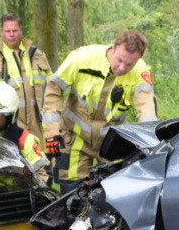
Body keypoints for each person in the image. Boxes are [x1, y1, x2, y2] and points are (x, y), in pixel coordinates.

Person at [42, 30, 156, 182]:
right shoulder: (82, 58)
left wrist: (151, 141)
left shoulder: (140, 72)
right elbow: (53, 89)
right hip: (75, 138)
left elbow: (147, 109)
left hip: (111, 141)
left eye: (129, 64)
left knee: (114, 193)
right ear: (113, 48)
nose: (122, 68)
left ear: (138, 59)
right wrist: (51, 130)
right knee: (71, 193)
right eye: (119, 60)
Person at [0, 13, 53, 137]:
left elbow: (52, 88)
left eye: (14, 30)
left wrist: (53, 127)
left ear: (21, 30)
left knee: (37, 155)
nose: (11, 34)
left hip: (37, 125)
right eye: (7, 31)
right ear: (1, 32)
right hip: (6, 127)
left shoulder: (38, 55)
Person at [0, 82, 50, 183]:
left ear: (11, 116)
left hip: (10, 196)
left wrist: (24, 177)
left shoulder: (26, 141)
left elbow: (42, 179)